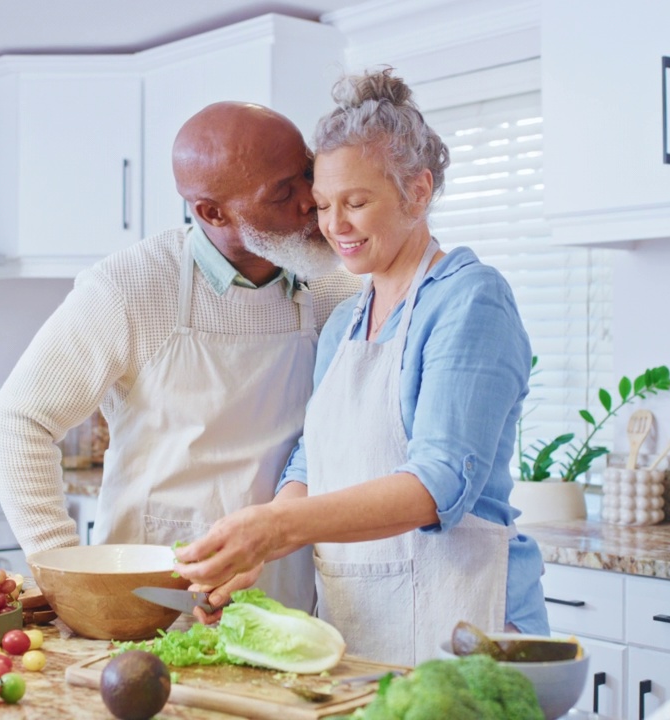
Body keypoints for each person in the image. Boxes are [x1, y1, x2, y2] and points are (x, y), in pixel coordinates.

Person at [172, 70, 549, 665]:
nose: (334, 226)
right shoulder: (348, 317)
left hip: (467, 630)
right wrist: (254, 547)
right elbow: (310, 461)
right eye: (323, 205)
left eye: (357, 203)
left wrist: (276, 531)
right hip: (362, 629)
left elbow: (439, 483)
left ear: (418, 192)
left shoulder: (471, 300)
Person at [0, 102, 360, 613]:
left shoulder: (337, 289)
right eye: (283, 192)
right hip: (153, 591)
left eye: (307, 176)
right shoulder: (130, 286)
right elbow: (16, 421)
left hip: (287, 586)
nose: (310, 204)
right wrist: (63, 569)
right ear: (212, 212)